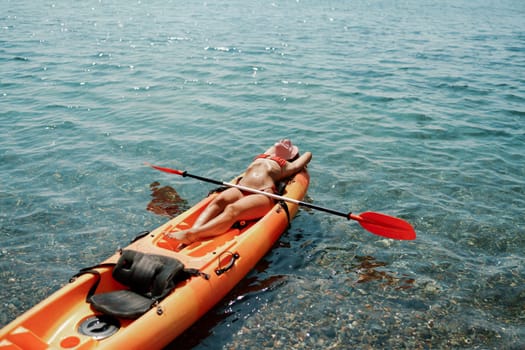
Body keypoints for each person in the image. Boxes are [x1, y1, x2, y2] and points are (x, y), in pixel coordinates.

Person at [168, 139, 312, 245]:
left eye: (288, 148)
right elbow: (274, 147)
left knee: (232, 209)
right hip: (241, 188)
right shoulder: (264, 156)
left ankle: (193, 234)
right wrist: (283, 146)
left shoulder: (287, 166)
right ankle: (194, 230)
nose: (282, 143)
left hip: (262, 194)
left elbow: (307, 156)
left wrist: (297, 154)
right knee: (218, 201)